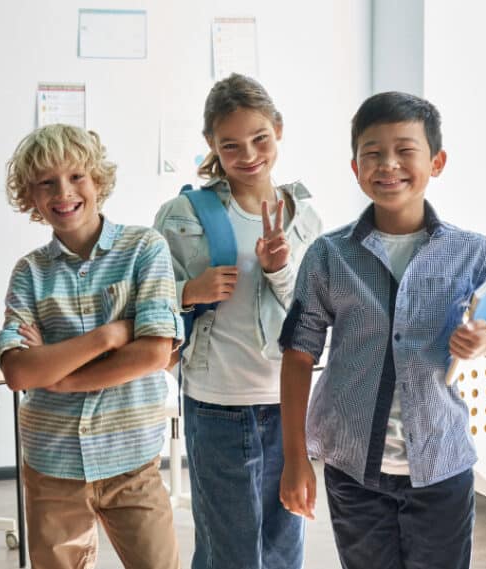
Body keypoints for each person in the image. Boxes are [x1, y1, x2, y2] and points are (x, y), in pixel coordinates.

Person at [278, 91, 486, 569]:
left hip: (442, 465)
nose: (388, 164)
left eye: (405, 150)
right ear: (355, 168)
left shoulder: (470, 251)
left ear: (436, 162)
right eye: (372, 152)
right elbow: (297, 355)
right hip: (353, 468)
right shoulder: (328, 256)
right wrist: (294, 458)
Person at [153, 73, 321, 569]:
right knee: (231, 553)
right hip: (216, 404)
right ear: (211, 145)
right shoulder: (182, 214)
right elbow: (146, 301)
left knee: (284, 549)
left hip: (286, 404)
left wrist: (279, 269)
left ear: (279, 130)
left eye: (260, 139)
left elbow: (310, 316)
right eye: (231, 145)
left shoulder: (304, 216)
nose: (248, 154)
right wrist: (190, 290)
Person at [0, 123, 182, 569]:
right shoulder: (29, 273)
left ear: (97, 180)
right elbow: (20, 373)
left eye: (76, 176)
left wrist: (59, 375)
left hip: (131, 460)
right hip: (51, 462)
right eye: (46, 182)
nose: (64, 192)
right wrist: (111, 336)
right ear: (32, 198)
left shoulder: (144, 249)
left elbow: (155, 353)